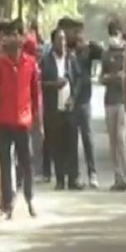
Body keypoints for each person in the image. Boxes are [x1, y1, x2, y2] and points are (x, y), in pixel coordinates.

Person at [0, 26, 39, 218]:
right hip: (4, 120)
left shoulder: (30, 62)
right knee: (5, 163)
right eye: (10, 35)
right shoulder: (0, 62)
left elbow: (35, 93)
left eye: (17, 34)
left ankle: (29, 198)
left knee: (26, 162)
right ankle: (7, 205)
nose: (14, 38)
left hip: (24, 121)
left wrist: (38, 120)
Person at [63, 17, 101, 188]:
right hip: (70, 100)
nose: (75, 37)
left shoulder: (87, 51)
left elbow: (101, 52)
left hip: (84, 100)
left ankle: (92, 173)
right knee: (71, 140)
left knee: (87, 138)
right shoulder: (67, 51)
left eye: (78, 33)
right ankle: (75, 175)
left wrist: (88, 44)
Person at [41, 27, 78, 190]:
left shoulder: (71, 58)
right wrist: (53, 85)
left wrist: (74, 97)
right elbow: (39, 83)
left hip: (69, 108)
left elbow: (79, 80)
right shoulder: (46, 61)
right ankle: (60, 179)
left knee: (71, 144)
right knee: (56, 144)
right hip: (53, 109)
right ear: (53, 42)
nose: (62, 43)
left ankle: (73, 179)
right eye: (59, 39)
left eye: (63, 39)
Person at [101, 18, 126, 191]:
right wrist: (113, 77)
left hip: (123, 100)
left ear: (120, 34)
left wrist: (121, 77)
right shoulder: (106, 54)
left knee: (121, 138)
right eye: (111, 34)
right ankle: (117, 176)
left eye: (116, 33)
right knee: (112, 140)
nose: (113, 37)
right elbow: (102, 78)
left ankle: (124, 177)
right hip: (109, 101)